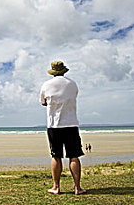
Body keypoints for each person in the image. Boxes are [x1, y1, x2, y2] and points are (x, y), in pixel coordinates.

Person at [40, 61, 86, 195]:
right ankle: (77, 187)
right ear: (64, 71)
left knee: (56, 156)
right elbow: (73, 97)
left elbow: (43, 102)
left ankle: (56, 186)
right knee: (74, 156)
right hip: (71, 123)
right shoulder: (72, 84)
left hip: (54, 124)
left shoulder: (46, 85)